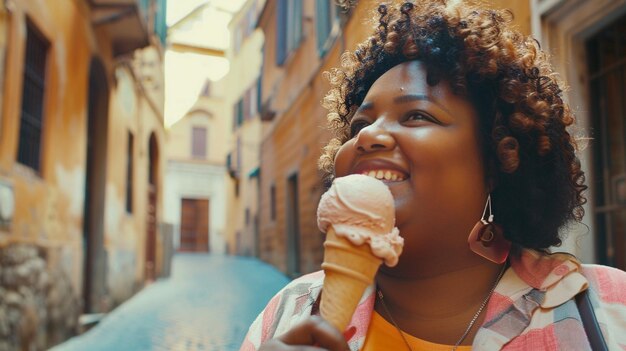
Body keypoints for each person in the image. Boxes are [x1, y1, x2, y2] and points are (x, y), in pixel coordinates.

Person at [241, 1, 626, 350]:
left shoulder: (609, 310)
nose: (368, 135)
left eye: (417, 116)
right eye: (360, 124)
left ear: (497, 162)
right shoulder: (287, 313)